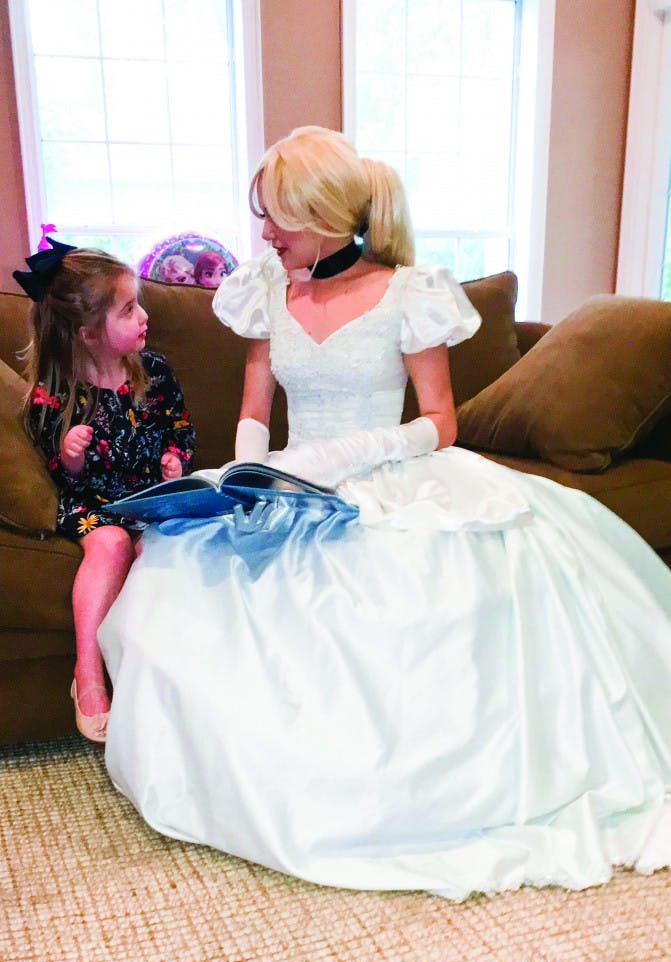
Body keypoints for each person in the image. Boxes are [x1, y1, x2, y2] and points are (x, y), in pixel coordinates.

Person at [99, 127, 671, 900]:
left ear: (323, 213)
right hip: (286, 478)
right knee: (183, 580)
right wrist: (246, 468)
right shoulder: (266, 287)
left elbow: (441, 420)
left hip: (390, 475)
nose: (262, 233)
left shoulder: (410, 291)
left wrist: (345, 456)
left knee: (402, 606)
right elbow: (255, 405)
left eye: (275, 217)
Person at [14, 240, 195, 742]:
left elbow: (179, 427)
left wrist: (175, 459)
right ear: (88, 333)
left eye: (138, 304)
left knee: (160, 547)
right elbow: (55, 467)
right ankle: (88, 675)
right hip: (92, 504)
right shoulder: (56, 392)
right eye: (128, 309)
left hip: (147, 500)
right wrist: (68, 453)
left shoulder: (154, 373)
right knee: (113, 543)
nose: (143, 317)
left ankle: (163, 684)